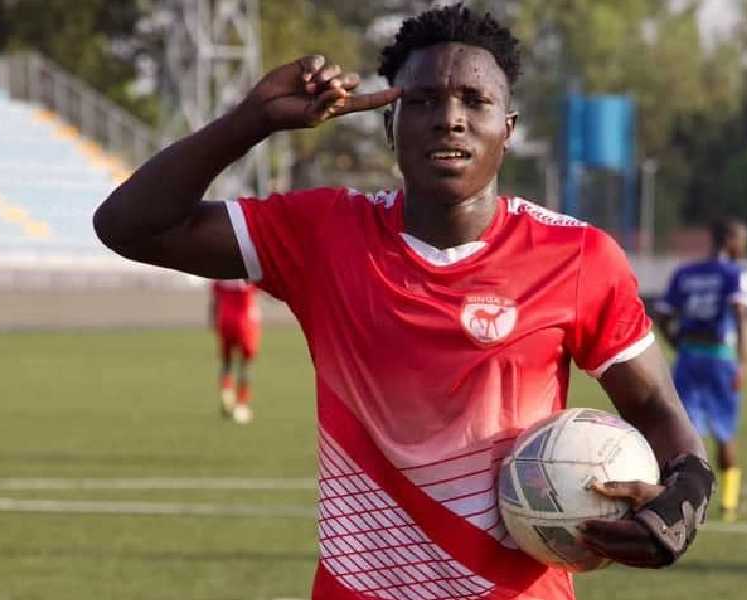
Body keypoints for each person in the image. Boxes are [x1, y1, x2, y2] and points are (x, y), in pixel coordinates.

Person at [94, 5, 713, 598]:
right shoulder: (323, 234)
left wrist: (683, 499)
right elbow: (128, 226)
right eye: (423, 101)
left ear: (508, 129)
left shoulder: (576, 256)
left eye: (475, 100)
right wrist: (251, 121)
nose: (450, 119)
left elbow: (655, 406)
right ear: (390, 125)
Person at [655, 218, 747, 522]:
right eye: (743, 240)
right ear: (730, 240)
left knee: (684, 432)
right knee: (724, 431)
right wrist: (744, 362)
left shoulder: (685, 273)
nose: (745, 247)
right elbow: (741, 316)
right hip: (719, 357)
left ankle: (677, 498)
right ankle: (729, 504)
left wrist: (677, 343)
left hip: (688, 357)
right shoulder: (735, 273)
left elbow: (662, 315)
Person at [210, 278, 262, 424]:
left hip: (225, 319)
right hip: (246, 321)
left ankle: (226, 392)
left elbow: (214, 301)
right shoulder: (250, 274)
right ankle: (241, 405)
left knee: (226, 362)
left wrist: (214, 322)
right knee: (245, 365)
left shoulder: (221, 275)